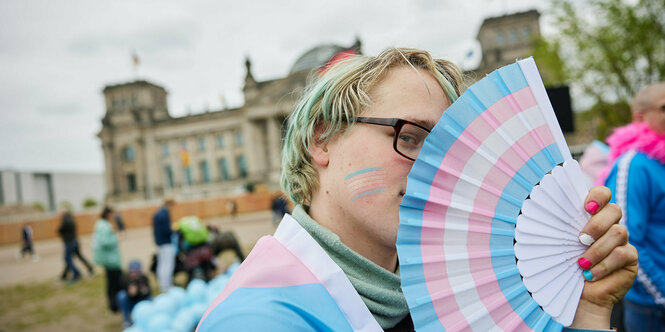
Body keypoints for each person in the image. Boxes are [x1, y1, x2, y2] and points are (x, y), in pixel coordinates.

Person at [196, 48, 638, 331]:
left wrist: (588, 315)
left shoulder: (438, 300)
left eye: (449, 149)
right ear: (322, 140)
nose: (437, 171)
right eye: (409, 136)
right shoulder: (259, 321)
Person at [602, 82, 665, 332]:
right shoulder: (634, 164)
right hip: (651, 309)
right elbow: (625, 240)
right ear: (640, 118)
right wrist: (661, 293)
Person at [93, 206, 123, 312]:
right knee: (115, 283)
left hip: (109, 259)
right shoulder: (104, 226)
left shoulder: (102, 224)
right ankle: (114, 305)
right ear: (109, 214)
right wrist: (117, 237)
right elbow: (105, 242)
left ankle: (115, 304)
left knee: (113, 283)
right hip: (111, 259)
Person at [58, 208, 94, 282]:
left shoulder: (65, 221)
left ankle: (76, 273)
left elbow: (60, 230)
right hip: (75, 241)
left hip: (70, 242)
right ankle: (64, 275)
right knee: (76, 257)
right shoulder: (71, 219)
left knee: (67, 259)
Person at [116, 260, 151, 328]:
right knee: (121, 295)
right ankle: (127, 320)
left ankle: (147, 317)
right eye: (132, 272)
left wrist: (142, 292)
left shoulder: (144, 279)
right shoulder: (125, 278)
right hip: (129, 301)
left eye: (137, 272)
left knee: (151, 299)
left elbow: (148, 293)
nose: (135, 274)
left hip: (141, 301)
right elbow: (121, 291)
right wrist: (130, 293)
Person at [153, 197, 176, 292]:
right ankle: (167, 285)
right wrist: (174, 231)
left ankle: (162, 285)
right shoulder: (164, 213)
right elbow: (167, 230)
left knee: (162, 264)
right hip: (166, 242)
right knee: (167, 264)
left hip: (160, 243)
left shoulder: (157, 213)